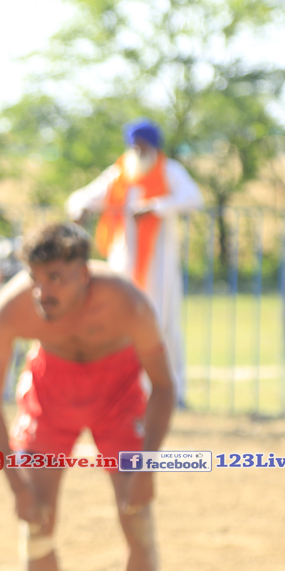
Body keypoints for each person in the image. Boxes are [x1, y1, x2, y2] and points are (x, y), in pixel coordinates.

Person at [0, 222, 176, 571]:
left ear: (84, 274)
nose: (42, 291)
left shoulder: (127, 303)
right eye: (35, 278)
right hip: (52, 395)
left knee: (138, 519)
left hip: (118, 396)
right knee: (36, 525)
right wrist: (17, 488)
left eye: (56, 278)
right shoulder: (11, 310)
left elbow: (165, 386)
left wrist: (146, 467)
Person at [66, 119, 203, 404]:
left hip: (159, 264)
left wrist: (155, 208)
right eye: (134, 145)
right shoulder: (119, 172)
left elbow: (194, 198)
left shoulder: (170, 170)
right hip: (123, 263)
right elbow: (83, 196)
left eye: (142, 145)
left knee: (162, 323)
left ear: (153, 146)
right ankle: (126, 390)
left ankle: (171, 391)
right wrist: (80, 207)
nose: (137, 150)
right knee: (120, 324)